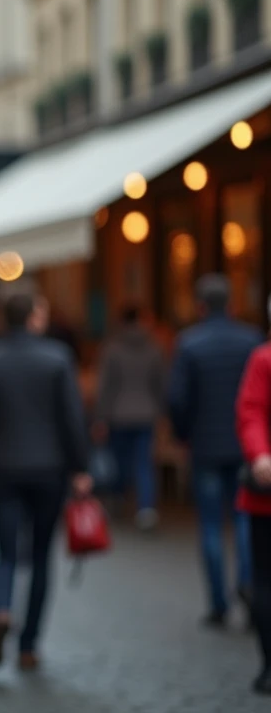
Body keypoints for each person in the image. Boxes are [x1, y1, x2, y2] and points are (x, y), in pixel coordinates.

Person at [0, 289, 93, 671]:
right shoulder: (57, 358)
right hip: (48, 468)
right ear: (34, 318)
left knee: (5, 554)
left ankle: (2, 610)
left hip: (2, 468)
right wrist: (80, 467)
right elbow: (72, 417)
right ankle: (29, 644)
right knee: (40, 556)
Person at [168, 274, 262, 629]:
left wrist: (183, 434)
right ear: (232, 305)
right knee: (244, 519)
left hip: (205, 445)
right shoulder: (251, 341)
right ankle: (248, 586)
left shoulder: (190, 343)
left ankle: (219, 602)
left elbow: (177, 398)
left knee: (210, 525)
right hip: (245, 447)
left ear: (200, 307)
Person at [94, 305, 166, 530]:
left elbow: (106, 386)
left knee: (120, 461)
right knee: (144, 462)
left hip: (118, 414)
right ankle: (146, 508)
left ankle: (118, 499)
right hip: (146, 413)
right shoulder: (154, 349)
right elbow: (160, 384)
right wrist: (161, 412)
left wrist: (100, 417)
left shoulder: (112, 349)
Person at [235, 301, 271, 695]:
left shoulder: (263, 358)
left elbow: (250, 412)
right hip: (266, 490)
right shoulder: (263, 359)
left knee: (265, 578)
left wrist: (260, 455)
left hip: (265, 486)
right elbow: (252, 413)